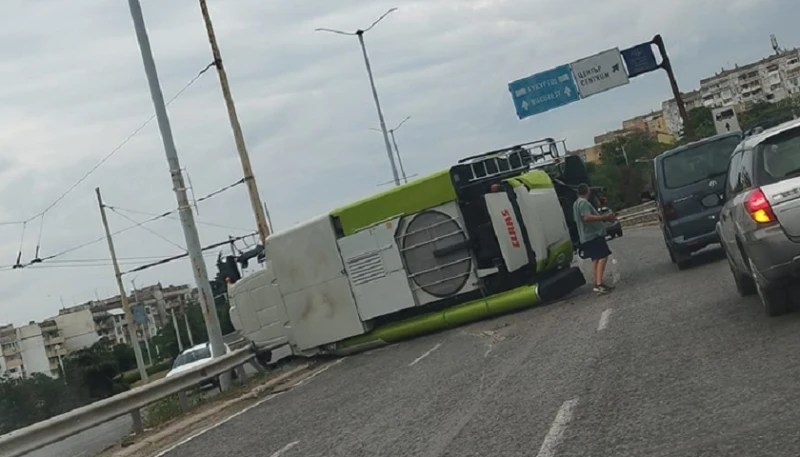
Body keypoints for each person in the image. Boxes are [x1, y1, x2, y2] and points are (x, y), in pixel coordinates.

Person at [573, 183, 616, 294]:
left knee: (596, 259)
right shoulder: (583, 203)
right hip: (593, 235)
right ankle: (599, 284)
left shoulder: (576, 204)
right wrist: (604, 217)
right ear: (587, 191)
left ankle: (597, 281)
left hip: (586, 236)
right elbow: (586, 217)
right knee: (603, 256)